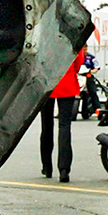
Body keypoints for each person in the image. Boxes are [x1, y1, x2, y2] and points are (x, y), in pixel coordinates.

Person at [39, 51, 82, 182]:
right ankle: (64, 169)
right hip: (67, 81)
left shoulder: (44, 33)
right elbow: (78, 60)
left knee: (46, 125)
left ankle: (47, 166)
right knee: (64, 126)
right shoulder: (72, 33)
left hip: (46, 82)